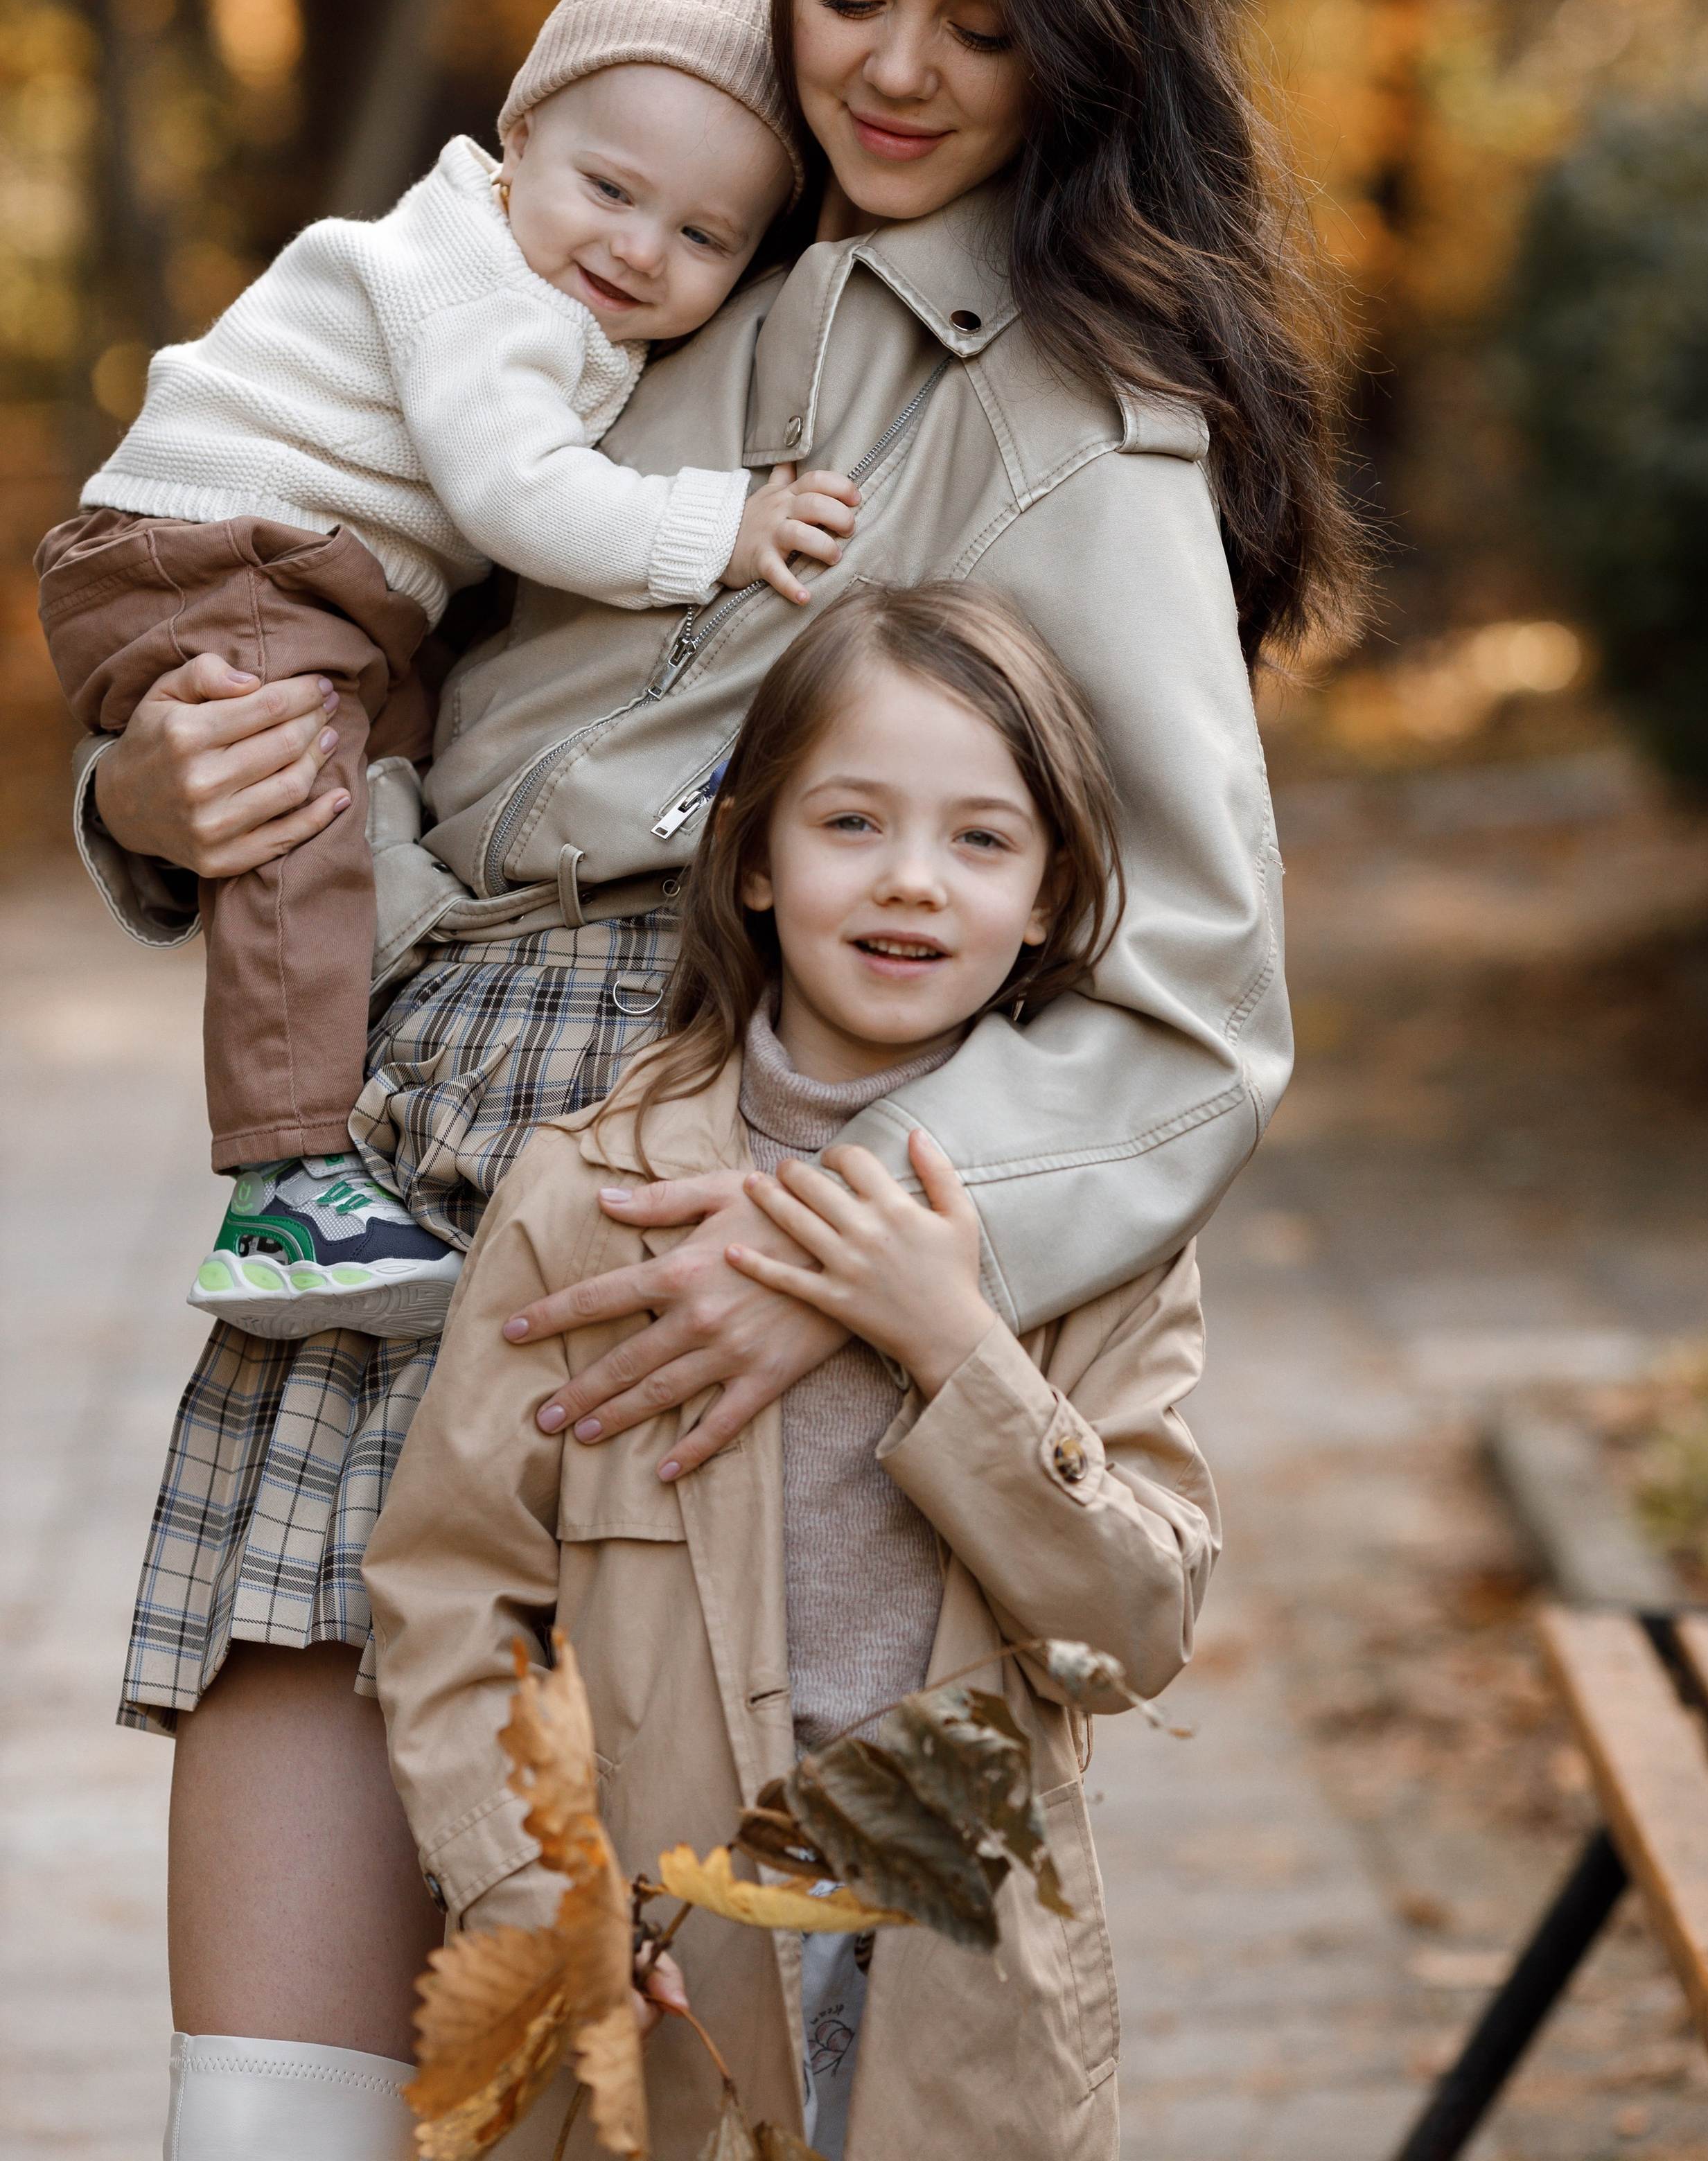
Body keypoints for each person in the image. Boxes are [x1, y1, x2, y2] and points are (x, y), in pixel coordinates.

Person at [76, 0, 1362, 2155]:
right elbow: (352, 609)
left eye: (980, 24)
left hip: (691, 1220)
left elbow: (1195, 1001)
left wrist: (827, 1240)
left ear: (1085, 40)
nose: (890, 72)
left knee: (628, 2069)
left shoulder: (1074, 412)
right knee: (275, 2089)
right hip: (403, 1146)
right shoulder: (644, 248)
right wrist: (160, 781)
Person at [366, 584, 1220, 2160]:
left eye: (981, 839)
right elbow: (446, 1591)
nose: (911, 882)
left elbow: (1141, 1623)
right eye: (851, 822)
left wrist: (955, 1343)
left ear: (1048, 896)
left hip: (957, 1964)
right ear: (753, 858)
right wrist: (532, 1896)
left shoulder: (1101, 1232)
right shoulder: (587, 1194)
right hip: (656, 1949)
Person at [35, 0, 856, 1338]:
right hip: (219, 550)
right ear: (518, 139)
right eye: (608, 189)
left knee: (385, 783)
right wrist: (716, 529)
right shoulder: (476, 287)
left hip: (319, 577)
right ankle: (283, 1192)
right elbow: (516, 496)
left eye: (703, 237)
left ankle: (355, 1105)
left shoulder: (540, 277)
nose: (638, 249)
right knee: (303, 804)